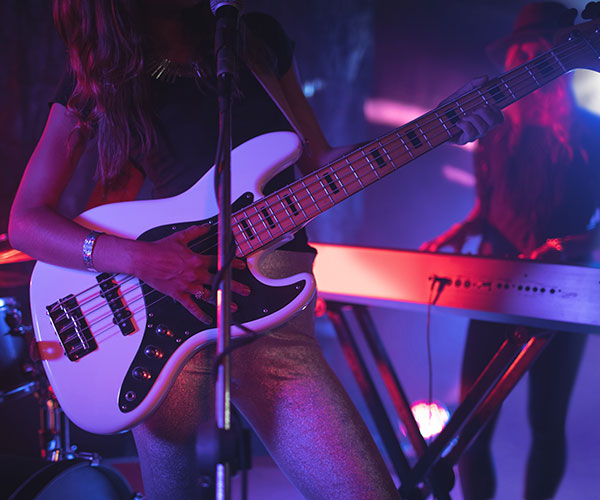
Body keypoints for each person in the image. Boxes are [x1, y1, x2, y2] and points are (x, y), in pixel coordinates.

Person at [8, 1, 502, 499]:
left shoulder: (253, 40)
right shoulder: (104, 75)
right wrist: (141, 260)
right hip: (166, 313)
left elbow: (321, 163)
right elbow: (26, 221)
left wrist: (436, 126)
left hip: (276, 318)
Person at [421, 3, 600, 499]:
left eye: (533, 53)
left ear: (557, 60)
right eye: (518, 55)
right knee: (472, 424)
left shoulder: (591, 132)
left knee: (547, 421)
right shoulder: (496, 132)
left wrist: (567, 245)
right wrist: (456, 234)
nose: (522, 63)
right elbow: (487, 210)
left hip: (565, 286)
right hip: (496, 283)